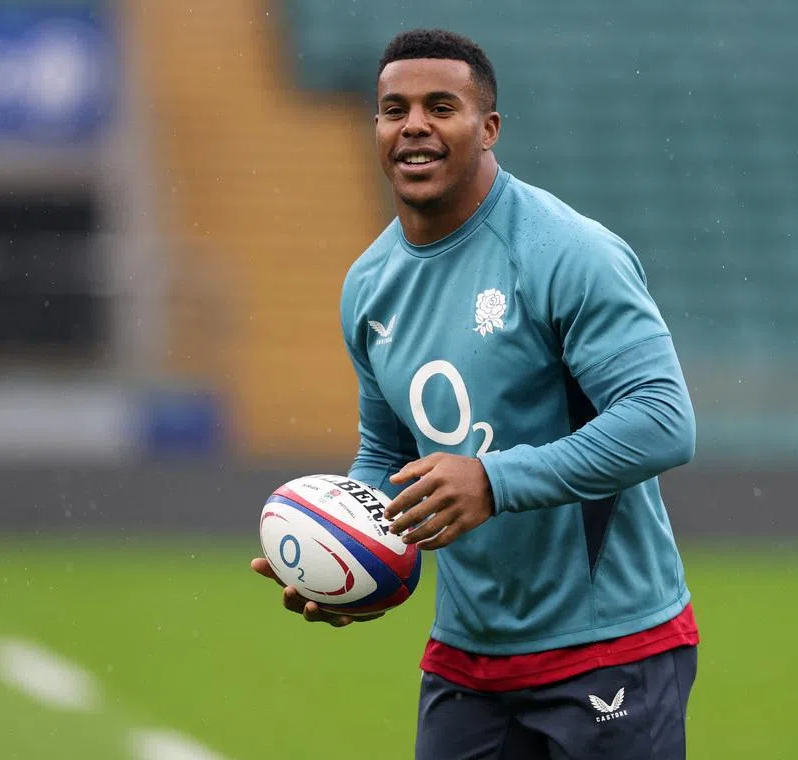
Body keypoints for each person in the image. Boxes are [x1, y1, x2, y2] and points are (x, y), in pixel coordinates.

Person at [252, 28, 699, 759]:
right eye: (393, 109)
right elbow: (386, 450)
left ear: (488, 128)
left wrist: (493, 480)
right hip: (468, 662)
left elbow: (662, 423)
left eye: (441, 106)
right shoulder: (368, 286)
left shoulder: (567, 252)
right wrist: (355, 555)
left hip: (611, 647)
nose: (414, 125)